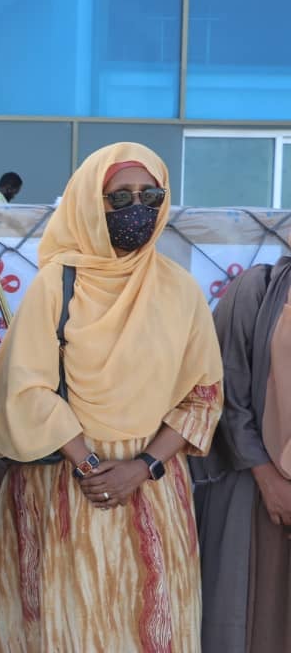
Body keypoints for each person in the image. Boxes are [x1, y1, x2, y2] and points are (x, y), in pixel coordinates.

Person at [0, 142, 223, 651]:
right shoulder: (56, 284)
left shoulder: (180, 290)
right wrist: (94, 468)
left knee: (153, 627)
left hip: (153, 490)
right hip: (66, 488)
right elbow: (26, 388)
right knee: (66, 628)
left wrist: (142, 468)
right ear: (92, 203)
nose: (138, 209)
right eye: (121, 197)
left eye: (151, 196)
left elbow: (202, 397)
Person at [192, 255, 291, 652]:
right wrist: (268, 479)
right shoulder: (258, 288)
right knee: (252, 620)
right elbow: (224, 390)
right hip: (258, 490)